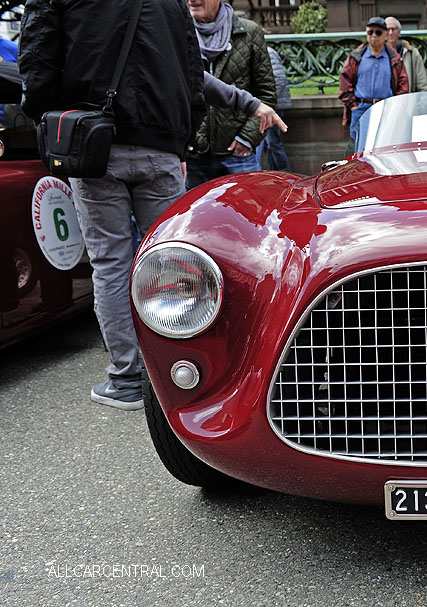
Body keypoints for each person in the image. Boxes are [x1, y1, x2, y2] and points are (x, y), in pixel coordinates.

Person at [18, 0, 286, 411]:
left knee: (110, 262)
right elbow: (192, 76)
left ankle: (127, 378)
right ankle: (181, 371)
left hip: (93, 143)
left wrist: (50, 119)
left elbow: (37, 58)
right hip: (160, 143)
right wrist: (182, 136)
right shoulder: (171, 3)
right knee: (174, 260)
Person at [185, 0, 276, 190]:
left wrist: (246, 139)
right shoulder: (176, 33)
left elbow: (266, 94)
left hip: (237, 156)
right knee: (193, 219)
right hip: (192, 155)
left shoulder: (249, 32)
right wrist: (183, 138)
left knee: (247, 216)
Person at [338, 16, 408, 154]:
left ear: (385, 35)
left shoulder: (394, 59)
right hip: (360, 108)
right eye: (370, 32)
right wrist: (353, 106)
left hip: (385, 109)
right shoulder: (356, 57)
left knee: (384, 148)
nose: (374, 36)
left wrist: (394, 105)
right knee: (356, 149)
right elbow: (345, 83)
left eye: (378, 32)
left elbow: (403, 85)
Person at [257, 46, 292, 171]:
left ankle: (284, 173)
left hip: (273, 106)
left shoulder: (268, 53)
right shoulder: (260, 52)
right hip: (268, 105)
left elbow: (279, 80)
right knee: (268, 144)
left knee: (272, 142)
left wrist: (266, 102)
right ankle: (275, 173)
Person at [385, 17, 427, 93]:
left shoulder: (412, 53)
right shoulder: (378, 54)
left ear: (399, 31)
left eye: (393, 29)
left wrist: (421, 104)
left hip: (407, 101)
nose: (390, 33)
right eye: (387, 30)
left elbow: (422, 84)